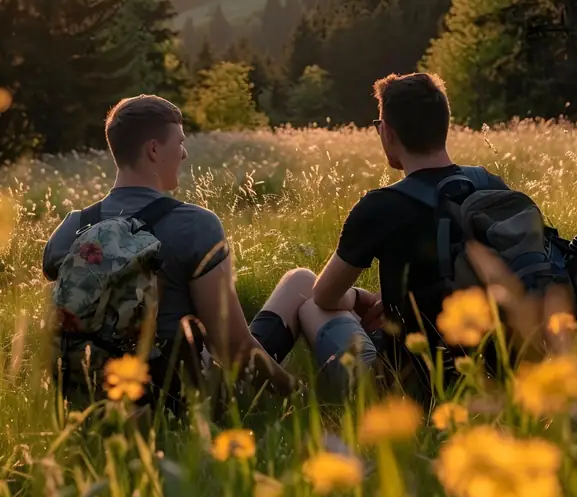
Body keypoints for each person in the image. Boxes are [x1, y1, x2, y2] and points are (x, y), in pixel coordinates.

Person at [43, 94, 315, 406]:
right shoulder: (195, 224)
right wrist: (302, 397)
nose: (184, 154)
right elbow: (231, 347)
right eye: (180, 142)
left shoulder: (72, 228)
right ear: (154, 150)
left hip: (94, 400)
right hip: (180, 402)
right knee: (300, 282)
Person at [298, 72, 514, 397]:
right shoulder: (491, 187)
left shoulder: (380, 207)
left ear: (387, 132)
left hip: (407, 390)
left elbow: (324, 297)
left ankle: (257, 383)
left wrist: (358, 298)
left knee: (307, 301)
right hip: (494, 377)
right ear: (444, 125)